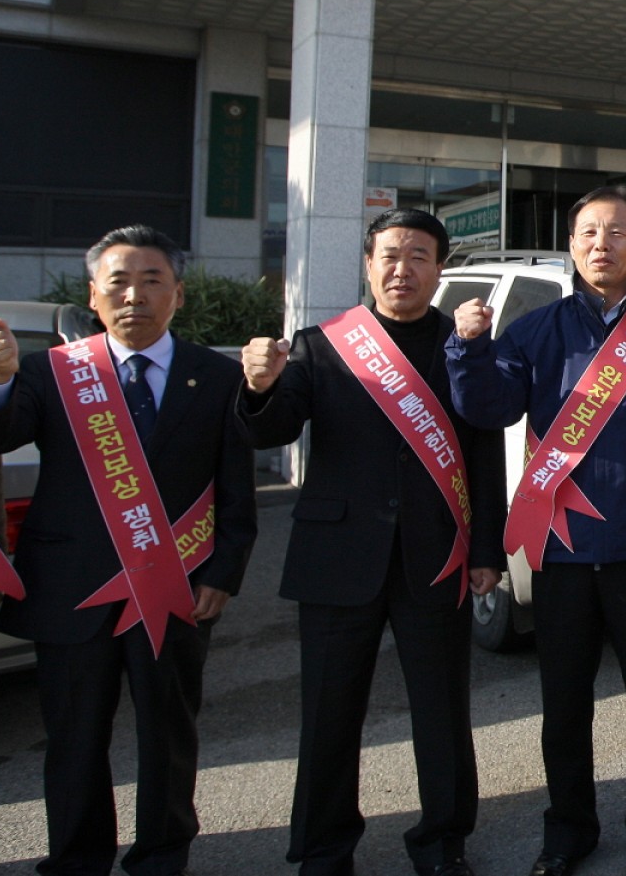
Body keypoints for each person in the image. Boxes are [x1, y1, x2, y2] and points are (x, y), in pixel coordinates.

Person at [446, 185, 626, 876]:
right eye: (587, 232)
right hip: (563, 550)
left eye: (616, 231)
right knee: (563, 703)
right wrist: (467, 348)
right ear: (572, 246)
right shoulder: (536, 331)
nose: (601, 242)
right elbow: (489, 406)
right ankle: (568, 828)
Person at [237, 208, 507, 876]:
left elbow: (483, 454)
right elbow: (272, 430)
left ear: (439, 268)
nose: (402, 268)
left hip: (435, 554)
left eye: (419, 255)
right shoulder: (321, 343)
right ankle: (323, 850)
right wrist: (258, 386)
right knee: (329, 714)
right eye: (390, 254)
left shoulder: (462, 344)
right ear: (368, 263)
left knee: (442, 714)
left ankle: (443, 842)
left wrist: (485, 550)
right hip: (336, 557)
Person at [0, 224, 257, 876]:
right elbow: (1, 431)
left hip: (176, 585)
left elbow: (237, 489)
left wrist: (225, 570)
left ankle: (163, 855)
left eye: (151, 279)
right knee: (74, 736)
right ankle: (77, 858)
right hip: (69, 586)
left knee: (168, 733)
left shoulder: (216, 377)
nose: (134, 294)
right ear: (94, 294)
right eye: (119, 281)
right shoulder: (56, 373)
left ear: (178, 294)